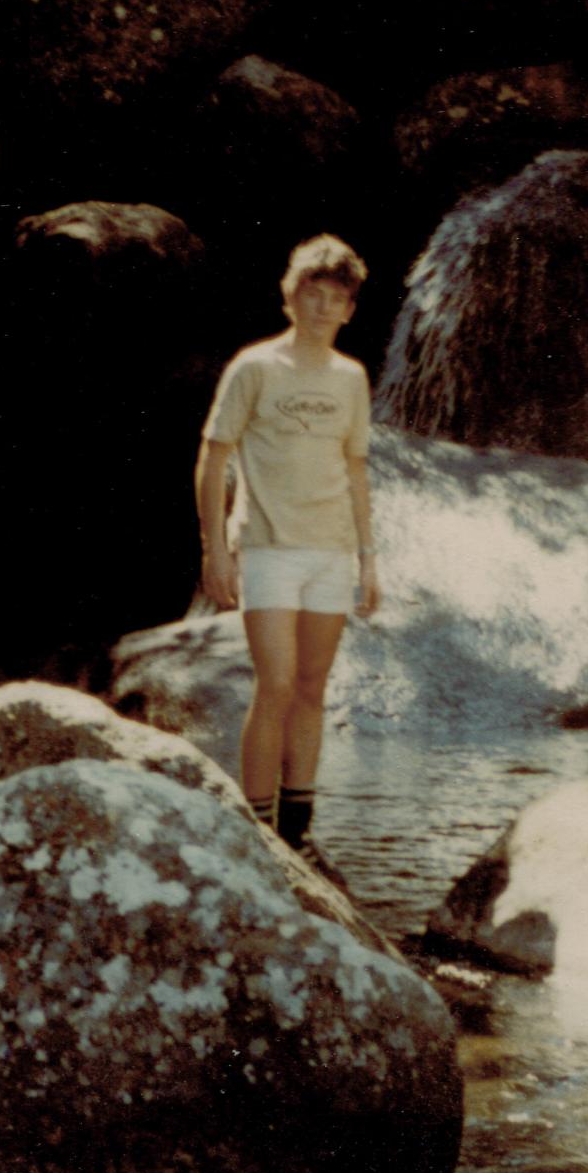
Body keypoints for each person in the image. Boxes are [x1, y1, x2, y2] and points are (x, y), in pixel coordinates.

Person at [195, 235, 380, 849]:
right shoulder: (254, 367)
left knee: (311, 688)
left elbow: (355, 469)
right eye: (314, 293)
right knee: (274, 684)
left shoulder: (352, 378)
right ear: (290, 296)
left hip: (332, 553)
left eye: (337, 299)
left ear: (351, 310)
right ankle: (256, 827)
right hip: (269, 548)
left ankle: (298, 831)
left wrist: (368, 561)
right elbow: (214, 455)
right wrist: (215, 548)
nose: (325, 308)